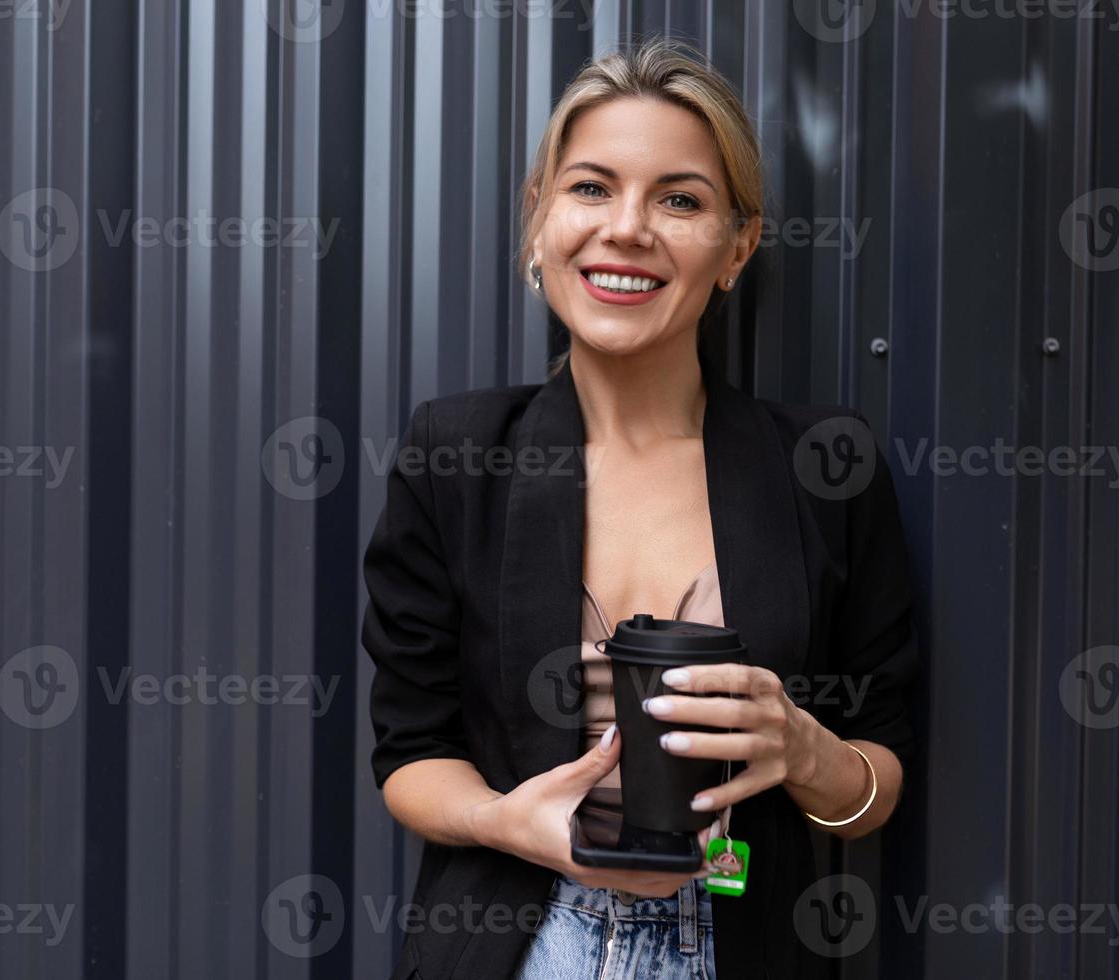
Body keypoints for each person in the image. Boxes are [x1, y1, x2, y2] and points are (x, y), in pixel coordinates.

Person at [362, 36, 919, 979]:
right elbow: (412, 754)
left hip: (744, 943)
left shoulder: (827, 466)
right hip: (521, 945)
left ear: (737, 248)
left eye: (680, 199)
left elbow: (880, 777)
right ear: (537, 218)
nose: (627, 228)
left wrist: (805, 750)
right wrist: (509, 821)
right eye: (588, 188)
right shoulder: (454, 454)